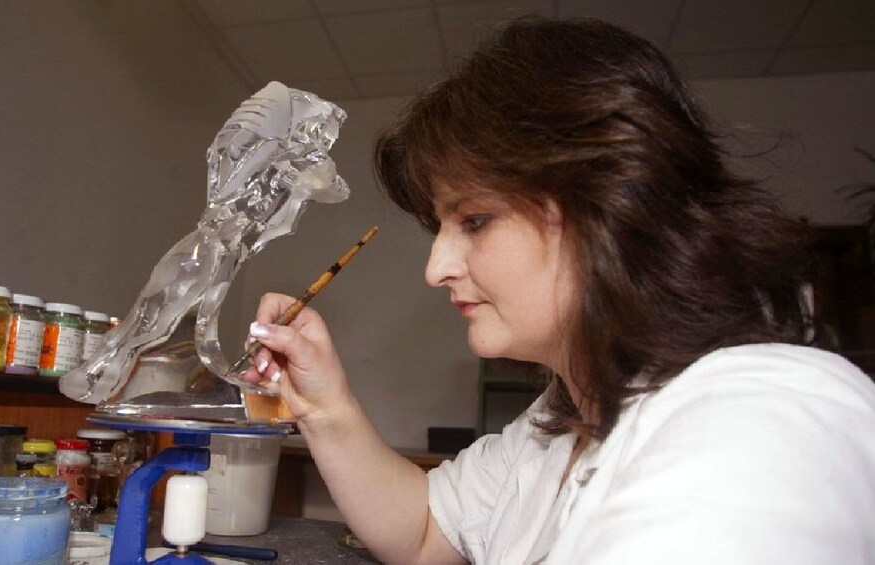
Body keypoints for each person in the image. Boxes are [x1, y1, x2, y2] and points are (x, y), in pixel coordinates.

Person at [240, 16, 875, 565]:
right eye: (442, 228)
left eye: (476, 221)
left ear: (610, 203)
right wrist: (326, 406)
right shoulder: (558, 423)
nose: (436, 269)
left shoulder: (760, 417)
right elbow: (426, 532)